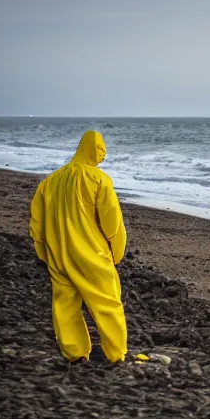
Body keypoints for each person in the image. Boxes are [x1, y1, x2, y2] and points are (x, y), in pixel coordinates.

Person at [29, 130, 128, 363]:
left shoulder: (49, 182)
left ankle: (74, 353)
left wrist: (44, 254)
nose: (103, 153)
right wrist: (117, 253)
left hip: (58, 254)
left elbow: (37, 224)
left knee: (65, 303)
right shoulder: (98, 179)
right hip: (92, 254)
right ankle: (116, 354)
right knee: (106, 302)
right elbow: (112, 222)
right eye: (101, 148)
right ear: (94, 150)